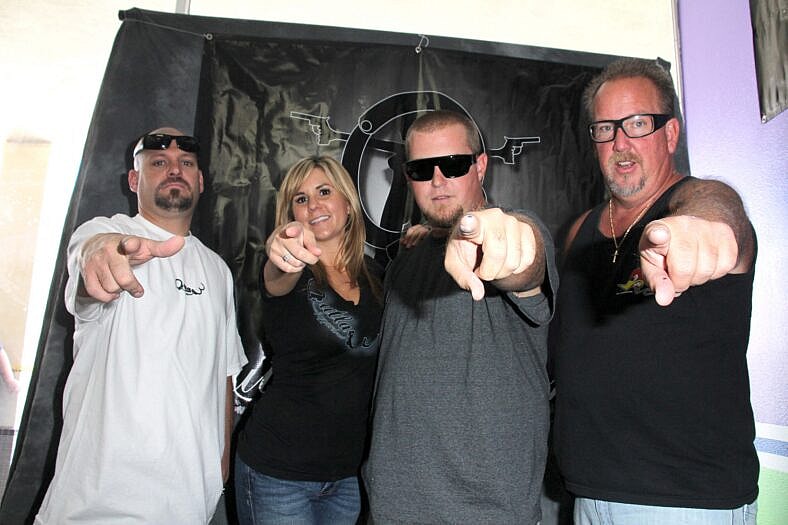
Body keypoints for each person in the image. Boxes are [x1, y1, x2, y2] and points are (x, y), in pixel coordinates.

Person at [551, 58, 758, 524]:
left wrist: (708, 227)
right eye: (606, 129)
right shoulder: (580, 229)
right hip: (590, 494)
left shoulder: (695, 202)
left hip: (685, 503)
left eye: (638, 123)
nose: (620, 142)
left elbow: (717, 208)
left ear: (670, 134)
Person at [35, 128, 247, 524]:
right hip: (97, 505)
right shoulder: (106, 234)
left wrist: (221, 463)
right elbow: (91, 257)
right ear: (134, 180)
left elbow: (224, 374)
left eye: (185, 163)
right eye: (158, 163)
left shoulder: (217, 270)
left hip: (187, 506)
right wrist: (101, 256)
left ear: (200, 181)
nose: (174, 169)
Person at [363, 110, 558, 523]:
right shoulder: (407, 257)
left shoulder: (508, 233)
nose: (437, 181)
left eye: (453, 165)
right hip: (393, 506)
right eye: (420, 169)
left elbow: (523, 260)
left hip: (487, 512)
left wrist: (509, 243)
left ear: (481, 165)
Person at [234, 156, 383, 524]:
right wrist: (280, 249)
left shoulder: (379, 278)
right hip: (278, 474)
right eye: (300, 199)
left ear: (347, 203)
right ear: (291, 215)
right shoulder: (287, 271)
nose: (313, 204)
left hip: (346, 478)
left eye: (324, 192)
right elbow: (277, 264)